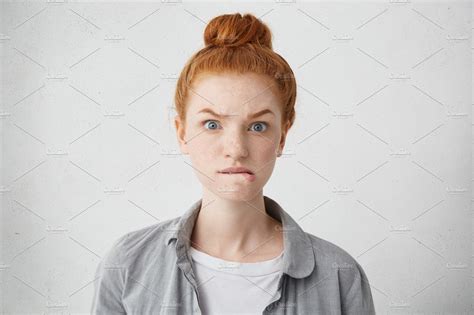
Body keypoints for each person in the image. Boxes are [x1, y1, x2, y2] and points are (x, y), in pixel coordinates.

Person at [91, 12, 376, 315]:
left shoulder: (340, 277)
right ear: (182, 133)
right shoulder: (127, 265)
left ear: (282, 136)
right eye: (212, 124)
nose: (236, 150)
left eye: (258, 126)